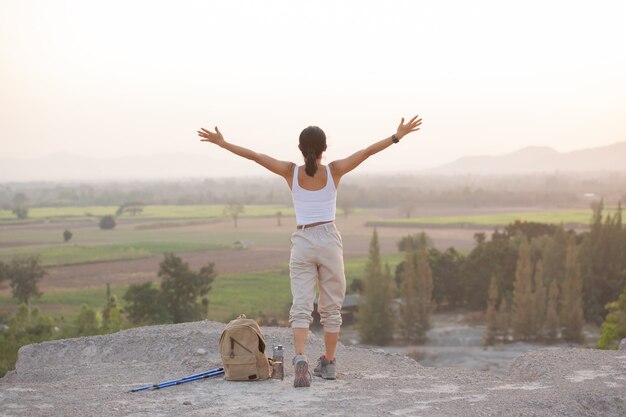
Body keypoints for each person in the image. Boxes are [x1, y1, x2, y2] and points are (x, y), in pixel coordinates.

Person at [197, 115, 422, 387]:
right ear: (324, 147)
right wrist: (396, 136)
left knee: (302, 304)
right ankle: (328, 362)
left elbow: (256, 156)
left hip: (303, 239)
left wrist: (223, 144)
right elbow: (365, 153)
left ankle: (301, 358)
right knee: (331, 309)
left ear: (300, 148)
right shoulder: (334, 171)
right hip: (328, 238)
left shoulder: (291, 171)